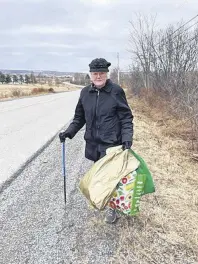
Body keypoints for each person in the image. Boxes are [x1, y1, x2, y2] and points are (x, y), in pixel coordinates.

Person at [59, 58, 133, 223]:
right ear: (90, 75)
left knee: (111, 178)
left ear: (106, 74)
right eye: (95, 73)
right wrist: (68, 133)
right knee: (99, 177)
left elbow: (126, 117)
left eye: (101, 73)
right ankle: (103, 200)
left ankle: (112, 209)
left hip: (112, 144)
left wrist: (127, 137)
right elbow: (79, 118)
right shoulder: (85, 93)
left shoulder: (116, 91)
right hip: (93, 144)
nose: (98, 76)